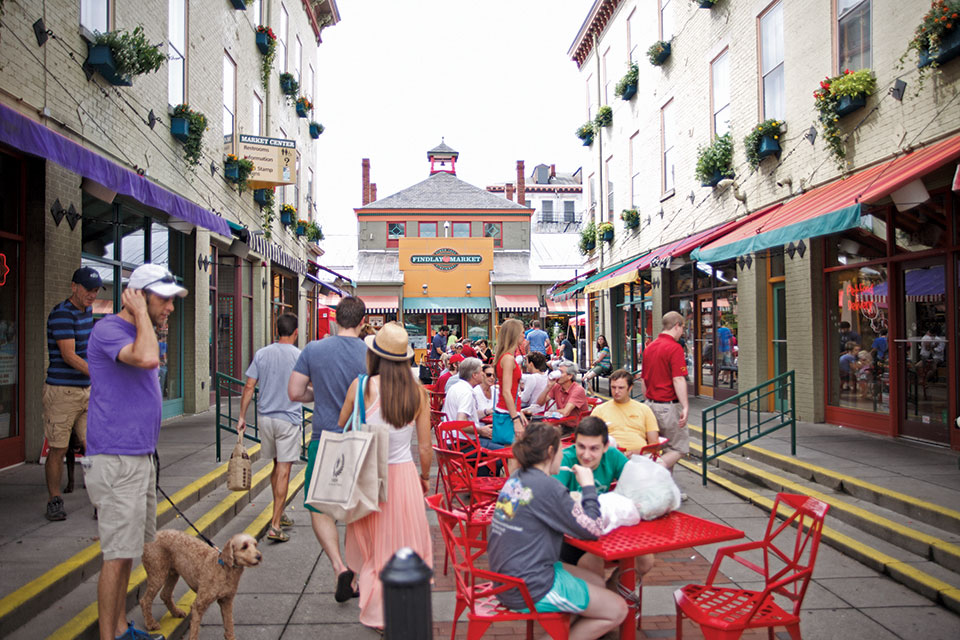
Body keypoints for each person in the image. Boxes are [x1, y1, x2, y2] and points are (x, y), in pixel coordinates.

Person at [85, 263, 186, 640]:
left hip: (137, 457)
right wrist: (143, 313)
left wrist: (145, 316)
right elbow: (145, 359)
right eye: (165, 300)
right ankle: (108, 637)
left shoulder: (139, 330)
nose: (171, 309)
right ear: (139, 296)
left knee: (128, 551)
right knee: (115, 555)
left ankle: (122, 627)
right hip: (116, 459)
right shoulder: (110, 329)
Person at [488, 421, 628, 640]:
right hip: (530, 585)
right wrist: (589, 485)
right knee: (618, 609)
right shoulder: (548, 487)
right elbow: (593, 529)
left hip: (506, 577)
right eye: (562, 449)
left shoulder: (517, 476)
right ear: (551, 452)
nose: (565, 455)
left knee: (597, 581)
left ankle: (559, 631)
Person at [338, 322, 432, 633]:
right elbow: (425, 446)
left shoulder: (361, 386)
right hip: (404, 475)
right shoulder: (418, 392)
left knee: (375, 549)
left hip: (370, 477)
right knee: (404, 545)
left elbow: (343, 422)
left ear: (375, 355)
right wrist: (425, 477)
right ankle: (403, 608)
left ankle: (379, 614)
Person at [288, 296, 368, 603]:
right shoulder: (372, 353)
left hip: (325, 438)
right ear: (363, 322)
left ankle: (338, 566)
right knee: (359, 513)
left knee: (321, 509)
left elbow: (294, 391)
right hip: (361, 440)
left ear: (335, 320)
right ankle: (357, 574)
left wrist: (317, 393)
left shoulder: (314, 350)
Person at [555, 417, 654, 580]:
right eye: (581, 447)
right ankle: (607, 601)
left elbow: (638, 487)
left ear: (606, 446)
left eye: (594, 448)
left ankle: (613, 597)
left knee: (645, 561)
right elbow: (556, 500)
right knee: (591, 564)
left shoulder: (613, 456)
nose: (586, 455)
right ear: (575, 443)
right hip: (572, 535)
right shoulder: (565, 459)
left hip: (606, 531)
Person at [237, 312, 301, 543]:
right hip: (288, 419)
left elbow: (249, 386)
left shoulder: (262, 354)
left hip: (266, 419)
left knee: (276, 465)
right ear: (295, 332)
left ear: (276, 330)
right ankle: (275, 525)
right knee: (284, 469)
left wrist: (242, 416)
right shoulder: (299, 356)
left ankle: (279, 512)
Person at [43, 266, 101, 521]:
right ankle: (54, 499)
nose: (92, 295)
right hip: (61, 392)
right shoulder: (61, 315)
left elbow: (88, 349)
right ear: (74, 287)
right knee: (58, 448)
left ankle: (100, 501)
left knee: (94, 446)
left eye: (96, 290)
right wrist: (99, 375)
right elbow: (69, 356)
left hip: (86, 391)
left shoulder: (87, 312)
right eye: (88, 289)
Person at [639, 311, 689, 472]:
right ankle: (652, 468)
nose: (683, 332)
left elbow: (643, 380)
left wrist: (648, 400)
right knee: (678, 448)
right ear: (677, 326)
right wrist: (685, 406)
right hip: (668, 405)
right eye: (683, 327)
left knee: (657, 447)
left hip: (651, 405)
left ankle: (667, 488)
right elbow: (678, 379)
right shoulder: (675, 348)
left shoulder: (649, 348)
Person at [591, 369, 659, 456]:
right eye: (613, 387)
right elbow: (590, 440)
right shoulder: (599, 410)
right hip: (610, 457)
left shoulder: (644, 409)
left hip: (640, 457)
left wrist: (631, 453)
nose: (616, 391)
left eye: (621, 388)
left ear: (630, 388)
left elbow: (654, 444)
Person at [492, 318, 528, 446]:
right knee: (513, 456)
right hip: (508, 412)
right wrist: (516, 419)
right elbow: (507, 392)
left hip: (509, 410)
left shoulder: (506, 357)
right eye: (522, 332)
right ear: (515, 334)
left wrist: (519, 412)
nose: (524, 335)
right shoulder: (508, 358)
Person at [536, 361, 589, 426]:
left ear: (570, 376)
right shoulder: (557, 386)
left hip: (576, 428)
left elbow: (565, 412)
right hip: (562, 424)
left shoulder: (578, 390)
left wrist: (549, 413)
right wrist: (548, 387)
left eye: (561, 372)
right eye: (558, 371)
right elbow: (539, 403)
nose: (558, 375)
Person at [520, 351, 550, 415]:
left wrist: (519, 393)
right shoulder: (546, 376)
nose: (525, 364)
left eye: (526, 362)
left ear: (531, 364)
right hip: (544, 409)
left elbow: (525, 399)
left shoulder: (532, 378)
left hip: (534, 410)